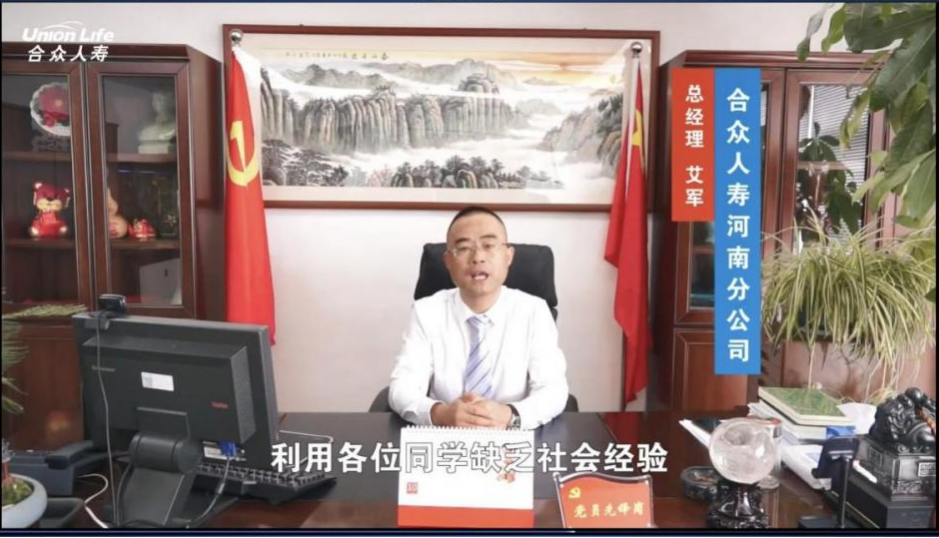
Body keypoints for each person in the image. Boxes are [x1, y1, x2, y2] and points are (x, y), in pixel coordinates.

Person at [388, 206, 569, 429]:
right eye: (464, 248)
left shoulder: (534, 311)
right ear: (448, 261)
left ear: (508, 256)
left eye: (489, 246)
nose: (478, 258)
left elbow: (552, 389)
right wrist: (440, 413)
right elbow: (402, 387)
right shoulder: (426, 311)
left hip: (514, 437)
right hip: (445, 436)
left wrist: (510, 415)